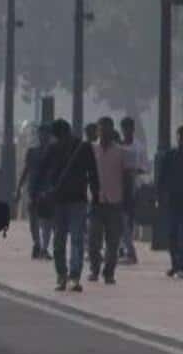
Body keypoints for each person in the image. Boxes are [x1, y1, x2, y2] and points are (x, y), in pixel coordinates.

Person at [46, 119, 98, 293]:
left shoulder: (82, 148)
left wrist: (96, 193)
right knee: (64, 240)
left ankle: (71, 276)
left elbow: (92, 172)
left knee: (70, 239)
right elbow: (45, 172)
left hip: (74, 200)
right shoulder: (57, 149)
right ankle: (65, 276)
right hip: (66, 200)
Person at [88, 117, 127, 285]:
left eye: (107, 130)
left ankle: (109, 272)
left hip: (114, 201)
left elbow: (126, 177)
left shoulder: (120, 152)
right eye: (101, 130)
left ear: (112, 131)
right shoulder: (90, 149)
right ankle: (95, 269)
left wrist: (126, 198)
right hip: (96, 202)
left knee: (113, 242)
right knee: (93, 240)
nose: (104, 133)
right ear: (97, 131)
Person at [20, 124, 55, 260]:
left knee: (47, 220)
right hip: (33, 189)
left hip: (47, 190)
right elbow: (26, 170)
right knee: (33, 220)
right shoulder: (32, 151)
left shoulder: (54, 152)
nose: (43, 137)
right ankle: (37, 243)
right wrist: (19, 188)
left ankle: (44, 247)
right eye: (41, 134)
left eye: (46, 134)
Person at [120, 117, 147, 265]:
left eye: (128, 128)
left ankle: (128, 249)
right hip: (119, 186)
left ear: (132, 129)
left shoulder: (139, 147)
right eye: (124, 128)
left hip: (133, 186)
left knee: (128, 219)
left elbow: (145, 168)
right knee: (120, 218)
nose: (126, 131)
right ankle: (123, 248)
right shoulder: (119, 146)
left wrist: (134, 171)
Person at [159, 126, 183, 277]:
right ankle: (175, 264)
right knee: (172, 233)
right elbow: (162, 177)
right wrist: (160, 195)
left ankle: (180, 264)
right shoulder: (171, 155)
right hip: (173, 199)